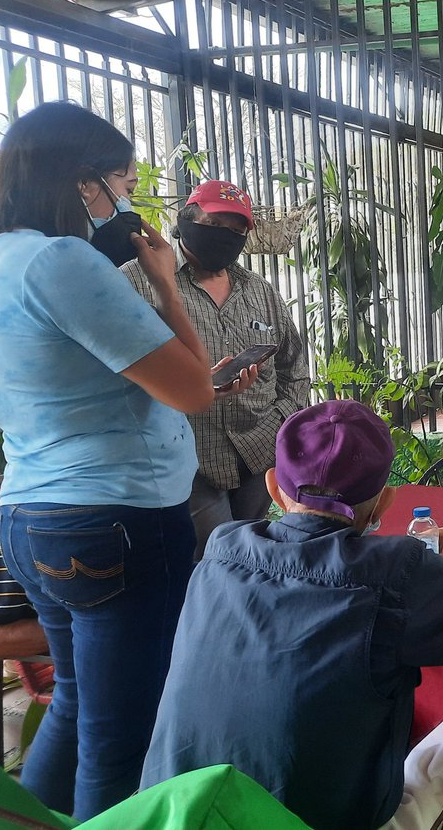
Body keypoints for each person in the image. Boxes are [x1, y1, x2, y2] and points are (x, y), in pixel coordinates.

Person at [140, 400, 443, 830]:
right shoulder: (393, 572)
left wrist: (419, 567)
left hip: (173, 815)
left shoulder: (221, 550)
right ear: (384, 503)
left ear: (274, 488)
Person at [0, 101, 214, 818]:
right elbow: (193, 389)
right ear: (83, 181)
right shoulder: (60, 261)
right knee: (121, 740)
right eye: (122, 184)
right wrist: (167, 284)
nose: (126, 202)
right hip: (115, 517)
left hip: (30, 513)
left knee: (75, 704)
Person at [123, 180, 310, 558]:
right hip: (188, 459)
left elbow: (294, 367)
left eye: (236, 230)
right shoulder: (137, 281)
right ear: (186, 220)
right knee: (217, 559)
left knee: (248, 555)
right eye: (214, 224)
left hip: (258, 454)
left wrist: (279, 422)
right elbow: (116, 370)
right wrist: (192, 385)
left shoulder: (259, 291)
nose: (225, 236)